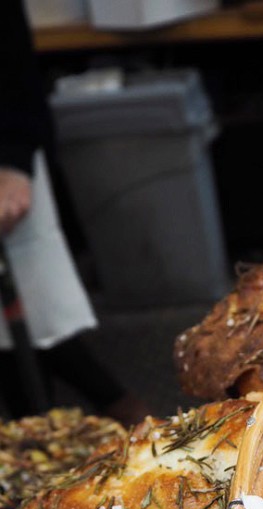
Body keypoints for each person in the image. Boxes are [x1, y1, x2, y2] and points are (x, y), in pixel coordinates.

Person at [0, 0, 148, 424]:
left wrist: (14, 155)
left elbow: (9, 48)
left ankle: (116, 410)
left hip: (5, 156)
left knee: (36, 305)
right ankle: (103, 412)